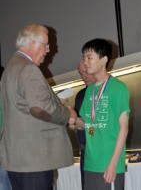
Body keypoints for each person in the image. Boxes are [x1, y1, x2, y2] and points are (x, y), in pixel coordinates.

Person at [0, 24, 76, 190]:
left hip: (20, 161)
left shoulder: (11, 68)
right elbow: (41, 109)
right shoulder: (28, 69)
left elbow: (25, 106)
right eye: (46, 45)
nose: (49, 50)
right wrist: (68, 114)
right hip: (34, 161)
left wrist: (55, 103)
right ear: (32, 43)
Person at [71, 38, 130, 190]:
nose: (85, 62)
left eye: (89, 57)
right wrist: (72, 118)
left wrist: (113, 164)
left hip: (108, 163)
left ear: (103, 60)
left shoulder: (118, 88)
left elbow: (124, 128)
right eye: (84, 58)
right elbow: (87, 123)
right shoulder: (90, 90)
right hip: (90, 162)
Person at [74, 60, 96, 190]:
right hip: (85, 152)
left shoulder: (106, 92)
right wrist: (74, 124)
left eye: (86, 72)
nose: (84, 77)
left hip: (100, 152)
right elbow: (84, 124)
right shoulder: (81, 95)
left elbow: (95, 127)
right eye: (81, 73)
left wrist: (81, 123)